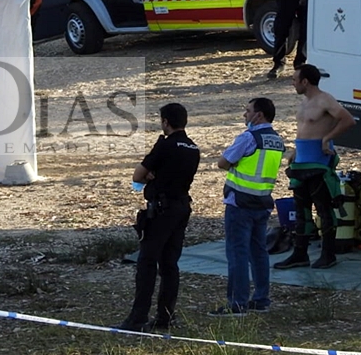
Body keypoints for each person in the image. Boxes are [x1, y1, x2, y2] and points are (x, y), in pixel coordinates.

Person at [115, 103, 200, 333]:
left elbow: (138, 175)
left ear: (165, 122)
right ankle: (165, 316)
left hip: (161, 210)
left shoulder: (165, 145)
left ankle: (138, 317)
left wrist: (152, 178)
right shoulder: (193, 148)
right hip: (182, 207)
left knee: (147, 263)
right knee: (170, 265)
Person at [274, 64, 355, 270]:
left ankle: (328, 255)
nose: (292, 83)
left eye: (294, 79)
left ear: (305, 81)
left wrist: (328, 138)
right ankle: (300, 254)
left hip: (318, 162)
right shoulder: (304, 103)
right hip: (301, 161)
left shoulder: (325, 100)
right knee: (301, 210)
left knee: (323, 209)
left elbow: (348, 120)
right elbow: (304, 130)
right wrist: (294, 150)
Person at [209, 97, 284, 316]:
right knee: (258, 251)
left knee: (237, 253)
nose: (245, 115)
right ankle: (261, 299)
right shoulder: (277, 140)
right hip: (262, 202)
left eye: (247, 111)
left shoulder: (249, 137)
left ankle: (237, 303)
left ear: (259, 115)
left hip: (240, 202)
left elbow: (223, 162)